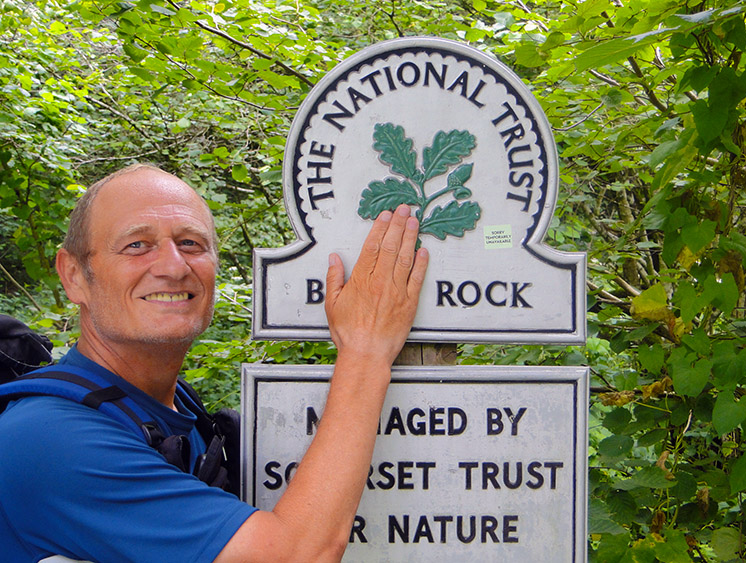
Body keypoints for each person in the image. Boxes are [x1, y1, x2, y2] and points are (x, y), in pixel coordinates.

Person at [0, 163, 429, 562]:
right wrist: (366, 350)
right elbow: (294, 554)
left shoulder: (170, 409)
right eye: (137, 245)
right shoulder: (47, 439)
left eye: (191, 243)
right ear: (74, 275)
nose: (173, 265)